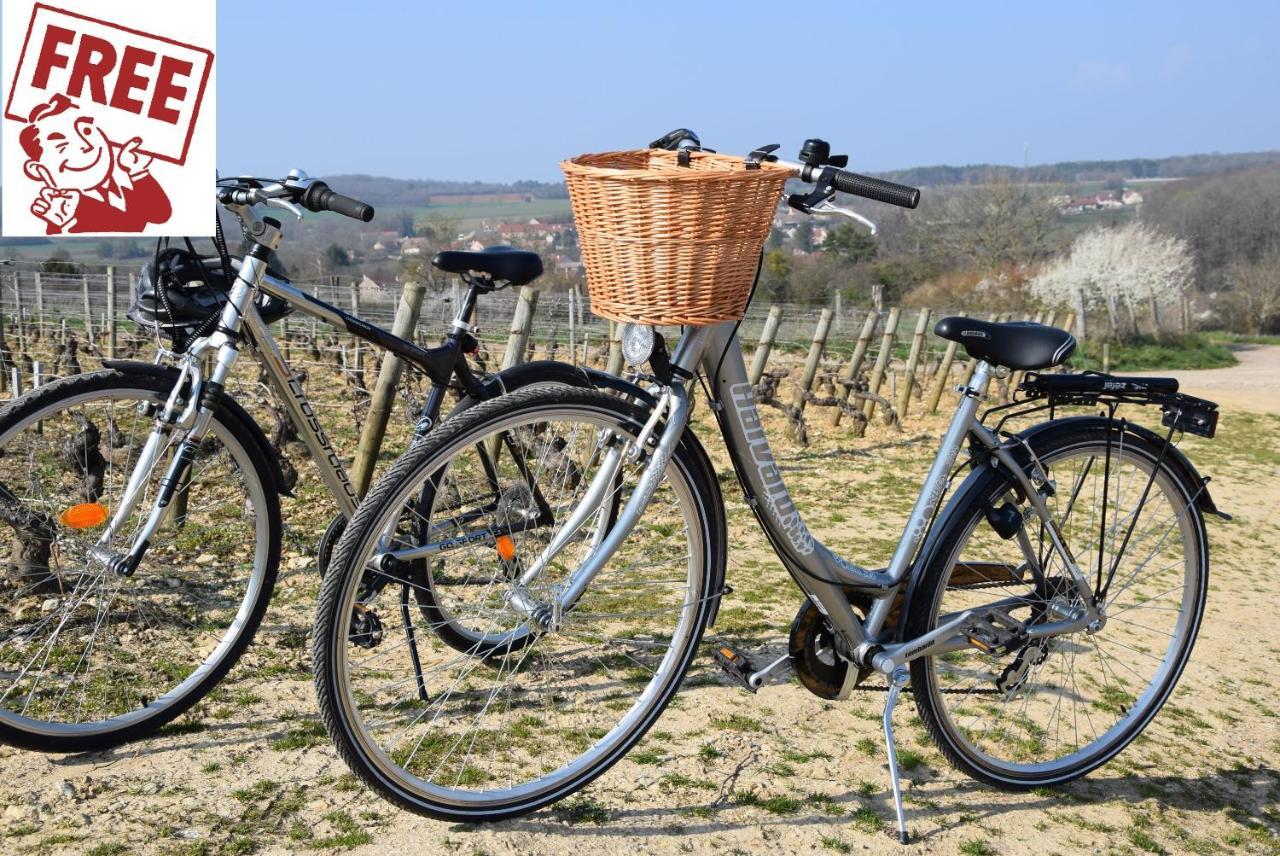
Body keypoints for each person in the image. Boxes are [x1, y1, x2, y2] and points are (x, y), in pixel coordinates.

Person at [18, 93, 171, 234]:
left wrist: (138, 172)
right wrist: (70, 221)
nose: (87, 145)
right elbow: (130, 226)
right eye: (63, 146)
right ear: (38, 170)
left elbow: (159, 215)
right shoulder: (61, 212)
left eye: (87, 131)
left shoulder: (123, 189)